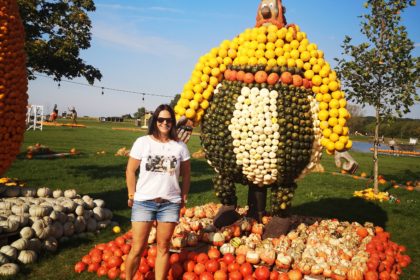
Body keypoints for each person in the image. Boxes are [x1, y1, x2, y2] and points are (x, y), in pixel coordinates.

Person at [124, 104, 191, 280]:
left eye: (168, 120)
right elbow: (130, 170)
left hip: (169, 204)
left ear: (173, 123)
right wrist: (132, 194)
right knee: (137, 248)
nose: (164, 123)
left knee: (163, 247)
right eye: (161, 119)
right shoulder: (143, 142)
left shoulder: (180, 146)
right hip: (144, 202)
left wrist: (183, 196)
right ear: (155, 121)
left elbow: (186, 174)